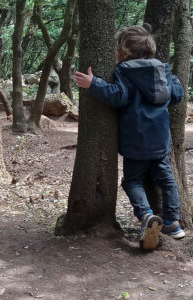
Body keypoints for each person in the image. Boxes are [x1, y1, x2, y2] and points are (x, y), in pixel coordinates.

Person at [73, 24, 184, 250]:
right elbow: (176, 95)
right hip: (160, 142)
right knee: (167, 181)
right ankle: (173, 222)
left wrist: (94, 84)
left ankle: (146, 216)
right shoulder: (162, 70)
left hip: (135, 142)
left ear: (123, 53)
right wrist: (176, 81)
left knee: (132, 180)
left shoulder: (125, 70)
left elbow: (119, 97)